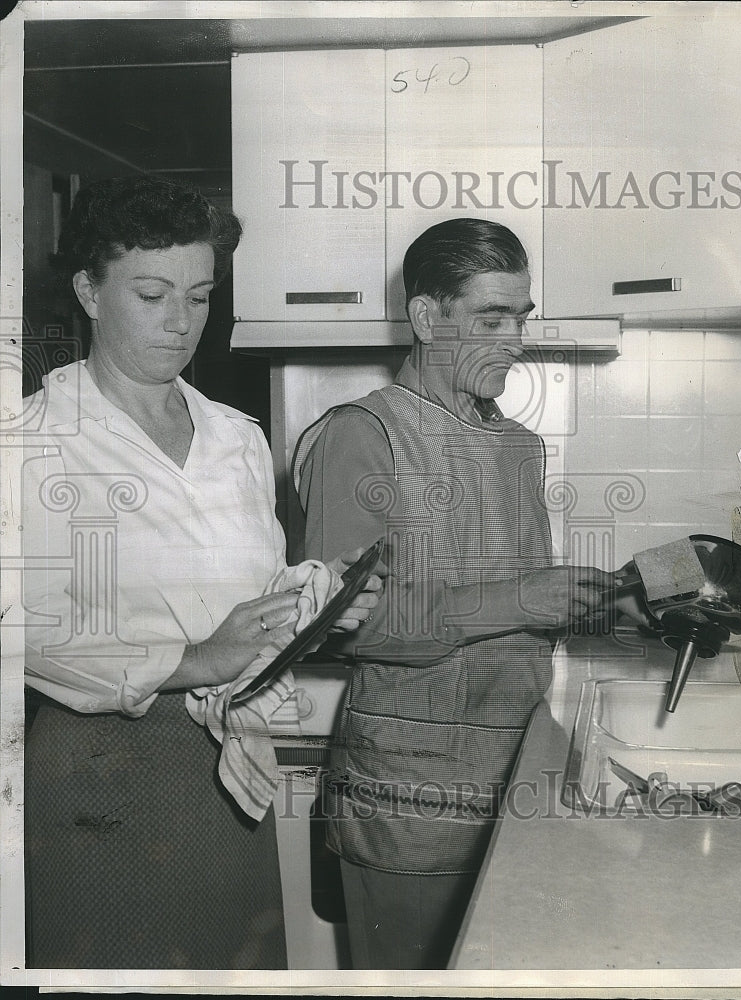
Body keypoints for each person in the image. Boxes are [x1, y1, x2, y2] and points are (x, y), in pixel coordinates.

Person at [22, 176, 381, 970]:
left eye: (200, 295)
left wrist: (320, 595)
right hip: (103, 771)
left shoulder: (236, 437)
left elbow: (245, 593)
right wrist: (194, 661)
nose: (181, 322)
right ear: (88, 290)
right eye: (151, 294)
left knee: (235, 971)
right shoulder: (33, 442)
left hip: (226, 763)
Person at [293, 218, 613, 969]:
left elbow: (518, 603)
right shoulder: (363, 434)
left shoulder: (518, 446)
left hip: (519, 774)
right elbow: (353, 626)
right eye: (490, 319)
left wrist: (617, 603)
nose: (515, 340)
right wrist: (531, 598)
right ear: (428, 317)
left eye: (520, 318)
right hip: (412, 798)